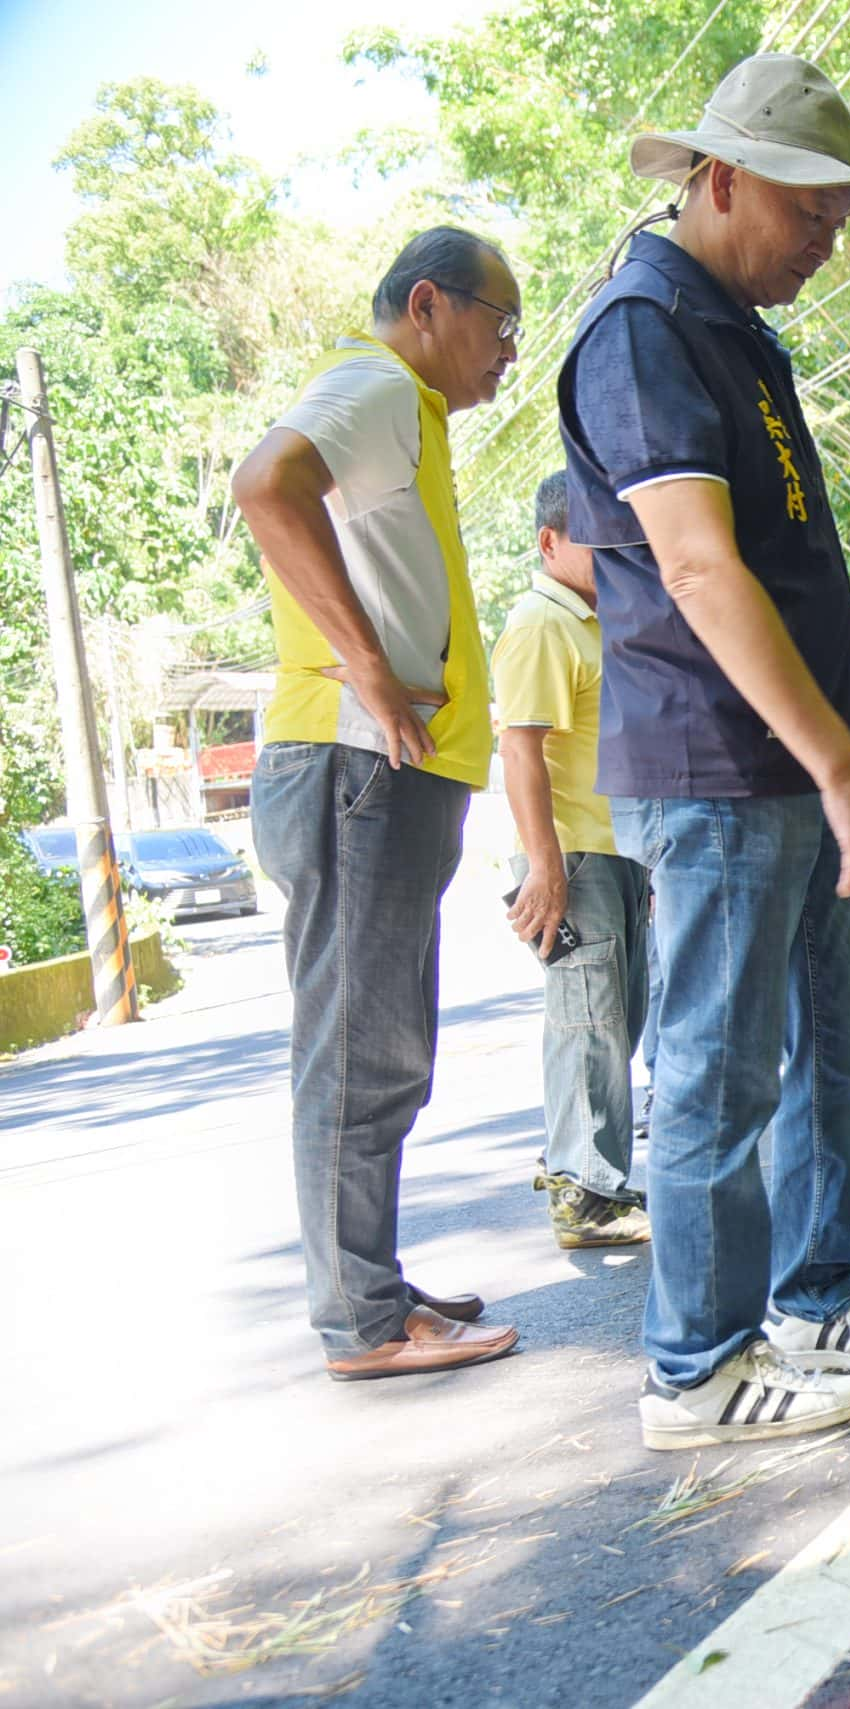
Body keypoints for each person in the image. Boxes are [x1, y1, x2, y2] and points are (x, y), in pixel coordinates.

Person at [557, 52, 850, 1449]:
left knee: (839, 1049)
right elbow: (703, 573)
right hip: (715, 764)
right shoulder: (642, 330)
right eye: (811, 216)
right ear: (718, 182)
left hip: (800, 759)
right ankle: (696, 1368)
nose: (826, 248)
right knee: (721, 1072)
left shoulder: (737, 324)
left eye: (841, 222)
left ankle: (812, 1297)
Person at [234, 226, 524, 1381]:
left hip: (385, 771)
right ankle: (360, 1316)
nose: (507, 349)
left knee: (378, 1043)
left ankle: (371, 1279)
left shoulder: (408, 411)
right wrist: (360, 660)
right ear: (426, 303)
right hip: (357, 763)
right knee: (360, 1046)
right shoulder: (376, 382)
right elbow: (266, 484)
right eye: (498, 322)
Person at [493, 470, 653, 1249]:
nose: (617, 549)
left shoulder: (597, 617)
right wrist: (543, 865)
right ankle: (584, 1191)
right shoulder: (541, 622)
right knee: (588, 1021)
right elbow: (519, 749)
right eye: (598, 535)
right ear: (551, 541)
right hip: (574, 857)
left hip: (616, 848)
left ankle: (598, 1178)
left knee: (620, 1019)